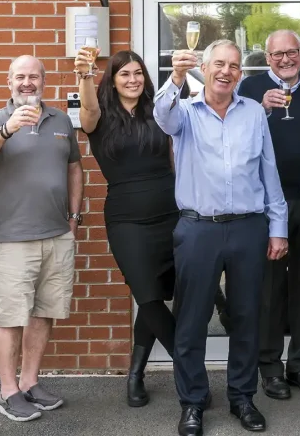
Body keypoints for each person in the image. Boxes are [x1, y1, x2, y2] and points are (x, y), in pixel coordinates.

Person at [153, 40, 288, 436]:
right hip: (198, 229)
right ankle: (192, 402)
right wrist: (175, 76)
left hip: (248, 227)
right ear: (205, 69)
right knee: (192, 320)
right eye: (218, 64)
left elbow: (269, 170)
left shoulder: (253, 114)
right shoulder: (184, 113)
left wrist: (277, 226)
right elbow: (161, 115)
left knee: (247, 317)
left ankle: (242, 398)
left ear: (240, 75)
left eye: (233, 66)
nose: (226, 72)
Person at [0, 55, 84, 423]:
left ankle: (31, 381)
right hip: (14, 238)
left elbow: (74, 168)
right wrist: (7, 130)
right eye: (20, 77)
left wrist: (74, 217)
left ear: (44, 80)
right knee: (10, 316)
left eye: (34, 76)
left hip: (57, 235)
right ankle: (8, 391)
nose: (27, 83)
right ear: (9, 81)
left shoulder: (62, 120)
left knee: (44, 311)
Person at [76, 49, 186, 407]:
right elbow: (88, 109)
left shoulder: (158, 112)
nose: (133, 80)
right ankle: (188, 367)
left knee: (156, 293)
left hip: (170, 212)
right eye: (124, 74)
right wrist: (86, 76)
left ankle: (136, 372)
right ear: (112, 80)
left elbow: (174, 157)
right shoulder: (99, 117)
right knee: (148, 296)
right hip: (127, 220)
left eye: (138, 73)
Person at [238, 30, 300, 400]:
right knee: (270, 290)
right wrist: (259, 107)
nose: (285, 59)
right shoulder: (248, 87)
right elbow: (232, 135)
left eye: (292, 52)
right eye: (277, 54)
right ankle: (270, 369)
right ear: (267, 57)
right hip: (266, 204)